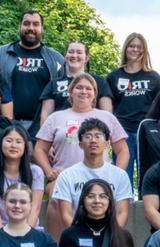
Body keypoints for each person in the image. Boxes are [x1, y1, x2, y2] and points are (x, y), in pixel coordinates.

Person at [36, 76, 130, 235]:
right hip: (64, 176)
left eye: (89, 88)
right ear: (70, 92)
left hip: (101, 176)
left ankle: (107, 240)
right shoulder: (56, 117)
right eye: (79, 87)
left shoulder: (107, 118)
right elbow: (39, 150)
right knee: (55, 199)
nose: (84, 91)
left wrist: (115, 174)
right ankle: (59, 246)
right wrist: (49, 172)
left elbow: (123, 150)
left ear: (95, 94)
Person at [46, 117, 132, 237]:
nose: (93, 140)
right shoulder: (67, 176)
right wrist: (79, 236)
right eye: (88, 136)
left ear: (107, 144)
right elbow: (66, 214)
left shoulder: (120, 175)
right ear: (80, 144)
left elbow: (122, 213)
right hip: (78, 236)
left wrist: (108, 235)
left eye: (98, 136)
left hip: (110, 236)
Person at [0, 10, 66, 130]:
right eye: (26, 23)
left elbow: (64, 91)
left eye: (36, 24)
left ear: (42, 28)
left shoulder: (56, 58)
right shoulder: (1, 54)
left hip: (43, 125)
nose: (31, 28)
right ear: (20, 26)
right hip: (6, 124)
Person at [107, 33, 160, 180]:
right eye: (132, 46)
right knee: (123, 174)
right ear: (126, 48)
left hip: (146, 131)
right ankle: (124, 202)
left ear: (144, 50)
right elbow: (109, 107)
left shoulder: (154, 77)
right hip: (122, 131)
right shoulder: (114, 76)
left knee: (148, 174)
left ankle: (146, 203)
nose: (135, 49)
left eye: (139, 46)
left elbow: (159, 106)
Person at [0, 125, 44, 230]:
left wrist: (26, 234)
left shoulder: (36, 172)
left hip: (30, 230)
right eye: (9, 141)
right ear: (1, 144)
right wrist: (2, 236)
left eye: (18, 142)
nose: (13, 145)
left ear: (25, 146)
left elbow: (35, 208)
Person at [38, 41, 113, 126]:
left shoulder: (100, 81)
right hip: (60, 134)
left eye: (79, 52)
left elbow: (107, 114)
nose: (74, 55)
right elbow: (45, 117)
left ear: (87, 58)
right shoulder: (54, 83)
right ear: (65, 56)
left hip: (91, 134)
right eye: (70, 52)